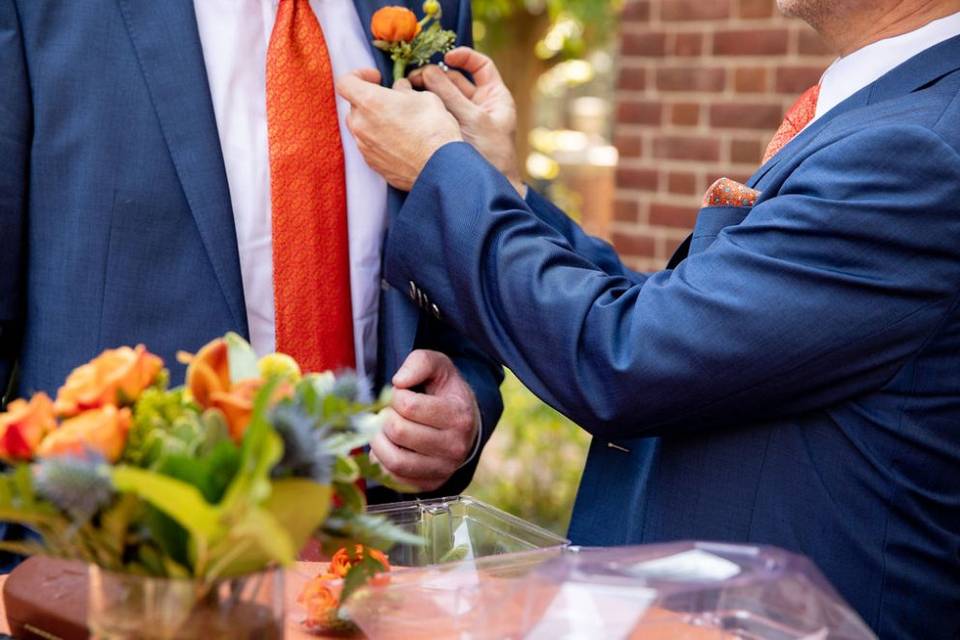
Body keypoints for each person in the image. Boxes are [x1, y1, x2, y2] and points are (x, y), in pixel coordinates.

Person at [336, 0, 960, 636]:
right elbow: (685, 320)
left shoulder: (919, 148)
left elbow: (628, 356)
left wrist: (441, 170)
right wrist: (503, 184)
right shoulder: (894, 110)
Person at [0, 0, 503, 541]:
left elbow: (463, 292)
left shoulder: (430, 9)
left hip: (371, 564)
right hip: (117, 560)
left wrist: (464, 409)